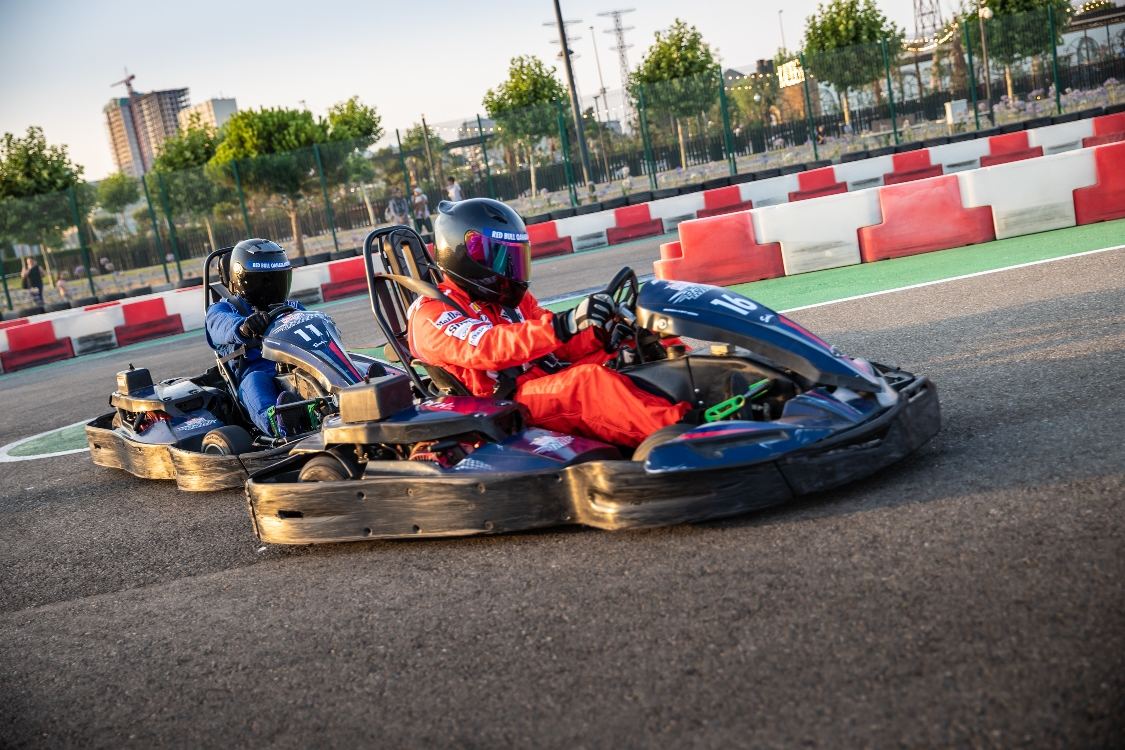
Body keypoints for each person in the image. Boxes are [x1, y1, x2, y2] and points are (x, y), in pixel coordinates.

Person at [407, 198, 692, 448]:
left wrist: (598, 331)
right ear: (465, 255)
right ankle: (687, 433)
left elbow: (556, 343)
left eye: (514, 258)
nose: (510, 269)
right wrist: (564, 324)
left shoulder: (512, 301)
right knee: (587, 384)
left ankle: (709, 392)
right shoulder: (431, 313)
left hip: (541, 379)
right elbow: (488, 346)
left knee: (636, 338)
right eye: (502, 258)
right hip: (505, 402)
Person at [205, 238, 305, 437]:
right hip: (259, 371)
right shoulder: (224, 309)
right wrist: (243, 327)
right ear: (242, 280)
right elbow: (220, 325)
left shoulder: (291, 307)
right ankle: (280, 423)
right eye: (264, 281)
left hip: (298, 366)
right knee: (255, 383)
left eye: (277, 279)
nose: (272, 288)